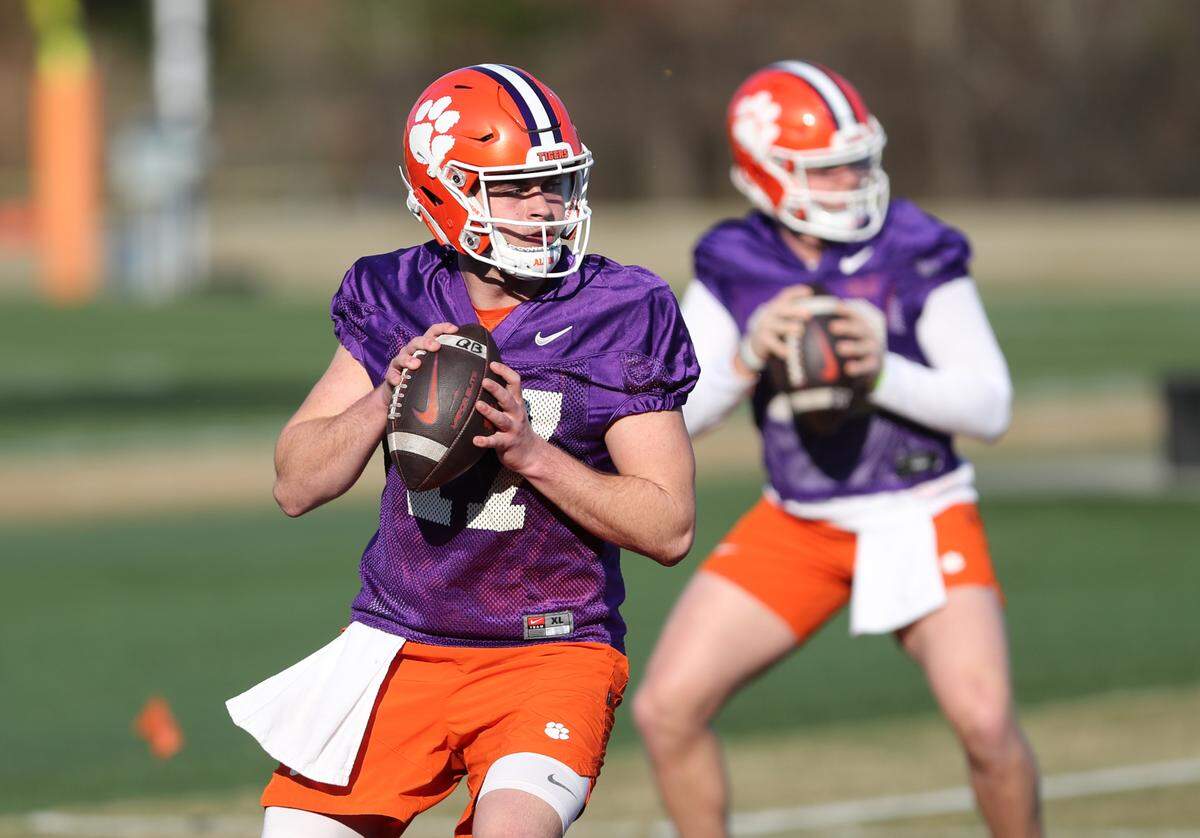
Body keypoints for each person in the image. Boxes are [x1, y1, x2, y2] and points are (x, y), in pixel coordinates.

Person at [227, 64, 698, 838]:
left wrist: (530, 451)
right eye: (515, 187)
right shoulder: (395, 292)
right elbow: (295, 483)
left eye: (557, 182)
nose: (546, 205)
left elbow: (669, 526)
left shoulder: (623, 308)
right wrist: (389, 392)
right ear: (443, 190)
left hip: (549, 648)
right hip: (398, 639)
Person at [632, 60, 1042, 837]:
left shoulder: (916, 247)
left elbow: (990, 407)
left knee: (987, 724)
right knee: (666, 710)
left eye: (858, 160)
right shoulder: (734, 260)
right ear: (767, 173)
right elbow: (672, 419)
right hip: (801, 521)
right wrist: (748, 356)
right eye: (828, 169)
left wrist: (879, 368)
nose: (853, 180)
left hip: (920, 508)